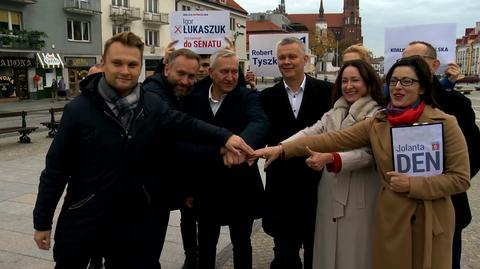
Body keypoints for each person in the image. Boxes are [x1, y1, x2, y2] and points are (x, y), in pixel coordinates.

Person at [32, 32, 253, 269]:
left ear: (140, 67)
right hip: (85, 216)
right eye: (117, 63)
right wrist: (42, 221)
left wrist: (227, 137)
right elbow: (55, 169)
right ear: (104, 63)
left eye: (132, 64)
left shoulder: (151, 104)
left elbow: (186, 124)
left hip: (131, 220)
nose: (125, 71)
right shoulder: (78, 110)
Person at [254, 56, 471, 269]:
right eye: (393, 81)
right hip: (393, 219)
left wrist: (413, 185)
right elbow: (329, 139)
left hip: (431, 219)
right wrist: (282, 149)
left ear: (422, 87)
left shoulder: (444, 123)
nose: (398, 87)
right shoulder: (380, 122)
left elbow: (460, 179)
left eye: (407, 82)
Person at [282, 60, 384, 269]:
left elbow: (370, 154)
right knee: (328, 252)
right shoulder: (334, 112)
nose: (349, 86)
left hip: (360, 193)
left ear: (368, 83)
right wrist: (280, 148)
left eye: (355, 80)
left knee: (354, 254)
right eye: (344, 80)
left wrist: (332, 158)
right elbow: (311, 132)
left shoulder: (378, 115)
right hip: (330, 191)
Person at [183, 49, 268, 269]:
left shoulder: (248, 97)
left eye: (234, 71)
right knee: (207, 244)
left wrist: (238, 148)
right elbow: (184, 140)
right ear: (211, 72)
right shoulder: (193, 100)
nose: (230, 77)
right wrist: (220, 150)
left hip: (240, 186)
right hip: (205, 186)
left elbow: (259, 123)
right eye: (224, 72)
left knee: (241, 243)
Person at [403, 40, 480, 269]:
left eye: (416, 61)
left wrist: (443, 183)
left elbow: (473, 154)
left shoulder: (455, 104)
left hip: (447, 205)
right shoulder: (393, 104)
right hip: (404, 208)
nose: (409, 67)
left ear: (434, 65)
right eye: (405, 62)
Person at [259, 37, 333, 269]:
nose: (287, 62)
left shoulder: (328, 93)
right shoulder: (266, 97)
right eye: (282, 57)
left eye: (292, 56)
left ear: (305, 59)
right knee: (285, 256)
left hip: (317, 186)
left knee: (316, 254)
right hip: (281, 189)